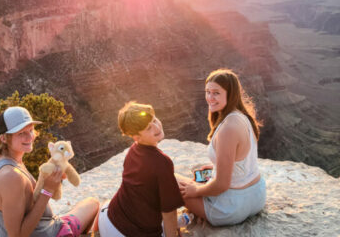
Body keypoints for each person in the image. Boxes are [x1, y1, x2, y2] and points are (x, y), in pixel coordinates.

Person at [0, 106, 99, 237]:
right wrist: (48, 190)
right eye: (21, 133)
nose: (30, 137)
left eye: (31, 130)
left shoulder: (3, 162)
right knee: (95, 205)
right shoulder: (11, 176)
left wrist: (49, 181)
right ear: (4, 138)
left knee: (92, 203)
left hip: (47, 226)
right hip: (50, 233)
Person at [177, 69, 266, 226]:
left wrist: (196, 190)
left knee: (168, 181)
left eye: (216, 93)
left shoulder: (228, 128)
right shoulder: (243, 117)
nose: (210, 98)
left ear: (230, 94)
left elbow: (222, 185)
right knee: (199, 172)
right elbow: (240, 160)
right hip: (257, 196)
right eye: (208, 92)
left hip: (231, 208)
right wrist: (216, 166)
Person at [98, 101, 184, 237]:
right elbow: (169, 212)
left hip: (108, 220)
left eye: (155, 120)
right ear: (137, 137)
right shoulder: (162, 162)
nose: (156, 127)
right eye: (149, 128)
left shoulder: (134, 150)